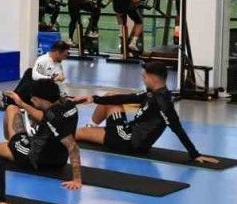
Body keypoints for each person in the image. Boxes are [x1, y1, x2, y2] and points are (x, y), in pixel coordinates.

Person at [74, 61, 218, 164]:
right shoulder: (152, 93)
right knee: (111, 96)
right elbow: (126, 98)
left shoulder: (163, 103)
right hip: (126, 131)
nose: (143, 79)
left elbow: (178, 129)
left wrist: (195, 154)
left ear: (153, 79)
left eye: (144, 77)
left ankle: (85, 131)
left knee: (77, 134)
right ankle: (91, 126)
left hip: (127, 142)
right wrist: (94, 98)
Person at [0, 79, 83, 190]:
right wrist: (21, 104)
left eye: (33, 99)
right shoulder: (68, 104)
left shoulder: (54, 119)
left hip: (35, 158)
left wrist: (77, 180)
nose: (32, 100)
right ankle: (12, 142)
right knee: (13, 108)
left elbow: (73, 147)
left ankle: (12, 144)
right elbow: (47, 118)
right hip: (59, 158)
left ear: (41, 99)